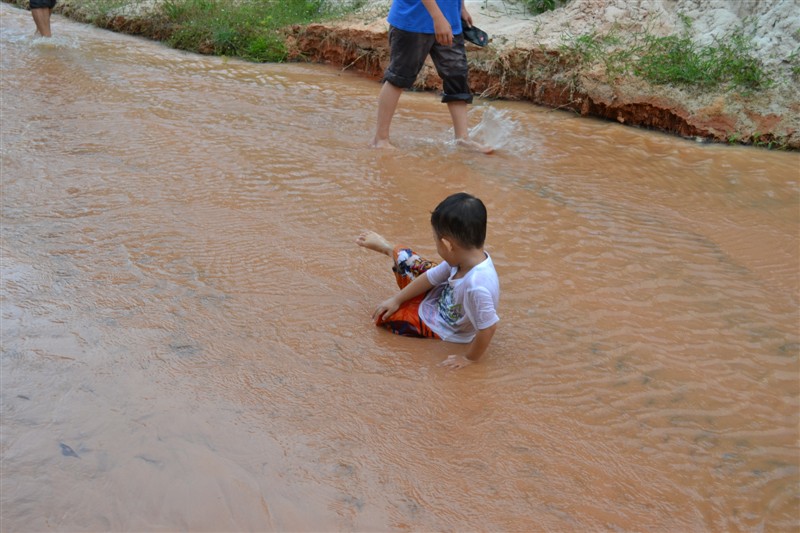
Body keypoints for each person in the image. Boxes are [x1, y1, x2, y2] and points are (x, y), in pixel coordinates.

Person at [357, 192, 500, 369]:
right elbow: (431, 277)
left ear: (448, 245)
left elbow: (489, 328)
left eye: (435, 241)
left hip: (441, 326)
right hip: (439, 295)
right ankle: (389, 249)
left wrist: (470, 359)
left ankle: (393, 257)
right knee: (408, 260)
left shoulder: (477, 286)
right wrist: (397, 299)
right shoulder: (461, 259)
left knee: (385, 318)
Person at [371, 0, 492, 153]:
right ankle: (380, 139)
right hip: (414, 21)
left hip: (449, 21)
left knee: (457, 77)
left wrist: (461, 7)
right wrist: (437, 17)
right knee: (398, 78)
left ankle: (462, 139)